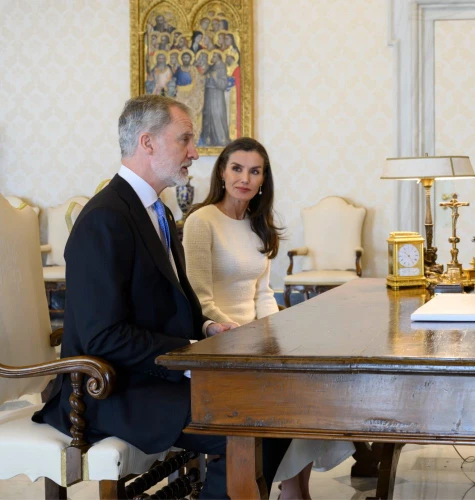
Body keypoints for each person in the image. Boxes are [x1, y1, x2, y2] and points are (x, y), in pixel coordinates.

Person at [33, 95, 291, 499]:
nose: (194, 152)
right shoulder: (105, 219)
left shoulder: (158, 212)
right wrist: (189, 352)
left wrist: (206, 327)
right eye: (185, 139)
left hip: (152, 374)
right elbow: (103, 337)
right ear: (147, 142)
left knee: (275, 412)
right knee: (248, 426)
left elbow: (166, 305)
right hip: (111, 388)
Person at [183, 137, 355, 500]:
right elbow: (199, 299)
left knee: (311, 386)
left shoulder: (257, 224)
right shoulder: (202, 221)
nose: (245, 178)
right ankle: (289, 492)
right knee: (291, 398)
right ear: (222, 172)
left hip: (255, 341)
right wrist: (241, 337)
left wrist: (277, 334)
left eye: (255, 171)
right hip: (221, 343)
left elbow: (263, 293)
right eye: (237, 168)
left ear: (264, 179)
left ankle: (295, 491)